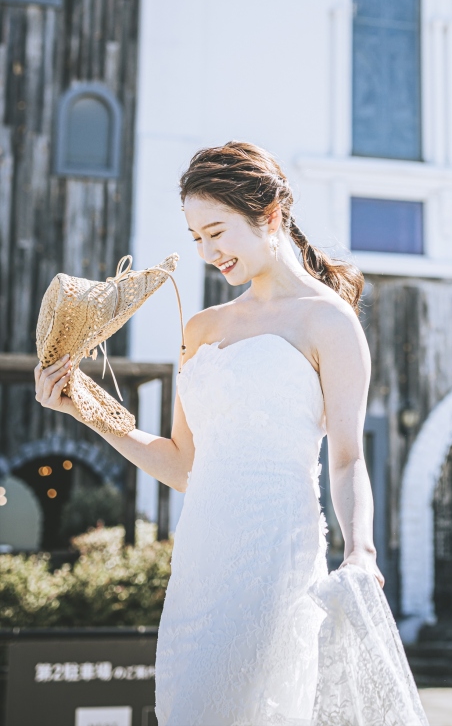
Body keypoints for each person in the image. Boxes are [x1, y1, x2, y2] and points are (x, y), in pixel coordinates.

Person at [34, 140, 382, 725]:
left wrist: (361, 550)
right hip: (199, 563)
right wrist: (85, 411)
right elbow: (182, 464)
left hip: (276, 554)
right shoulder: (200, 328)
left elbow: (348, 460)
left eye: (217, 232)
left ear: (269, 215)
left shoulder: (329, 322)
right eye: (196, 237)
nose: (206, 251)